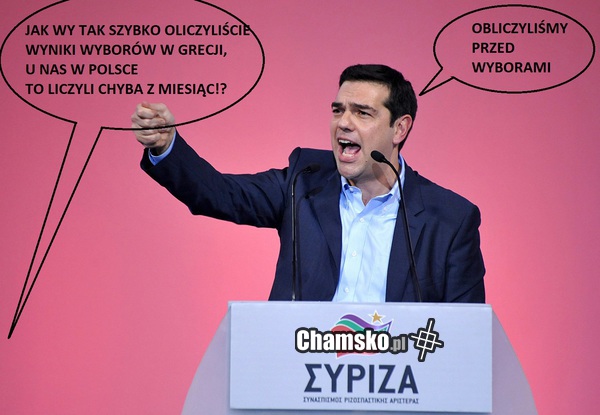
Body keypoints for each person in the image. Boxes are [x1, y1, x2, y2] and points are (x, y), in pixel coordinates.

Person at [131, 64, 485, 303]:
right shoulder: (303, 181)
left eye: (362, 113)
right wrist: (166, 146)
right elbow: (221, 194)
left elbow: (467, 337)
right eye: (338, 110)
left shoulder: (451, 219)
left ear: (400, 128)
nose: (343, 123)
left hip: (399, 383)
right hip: (301, 376)